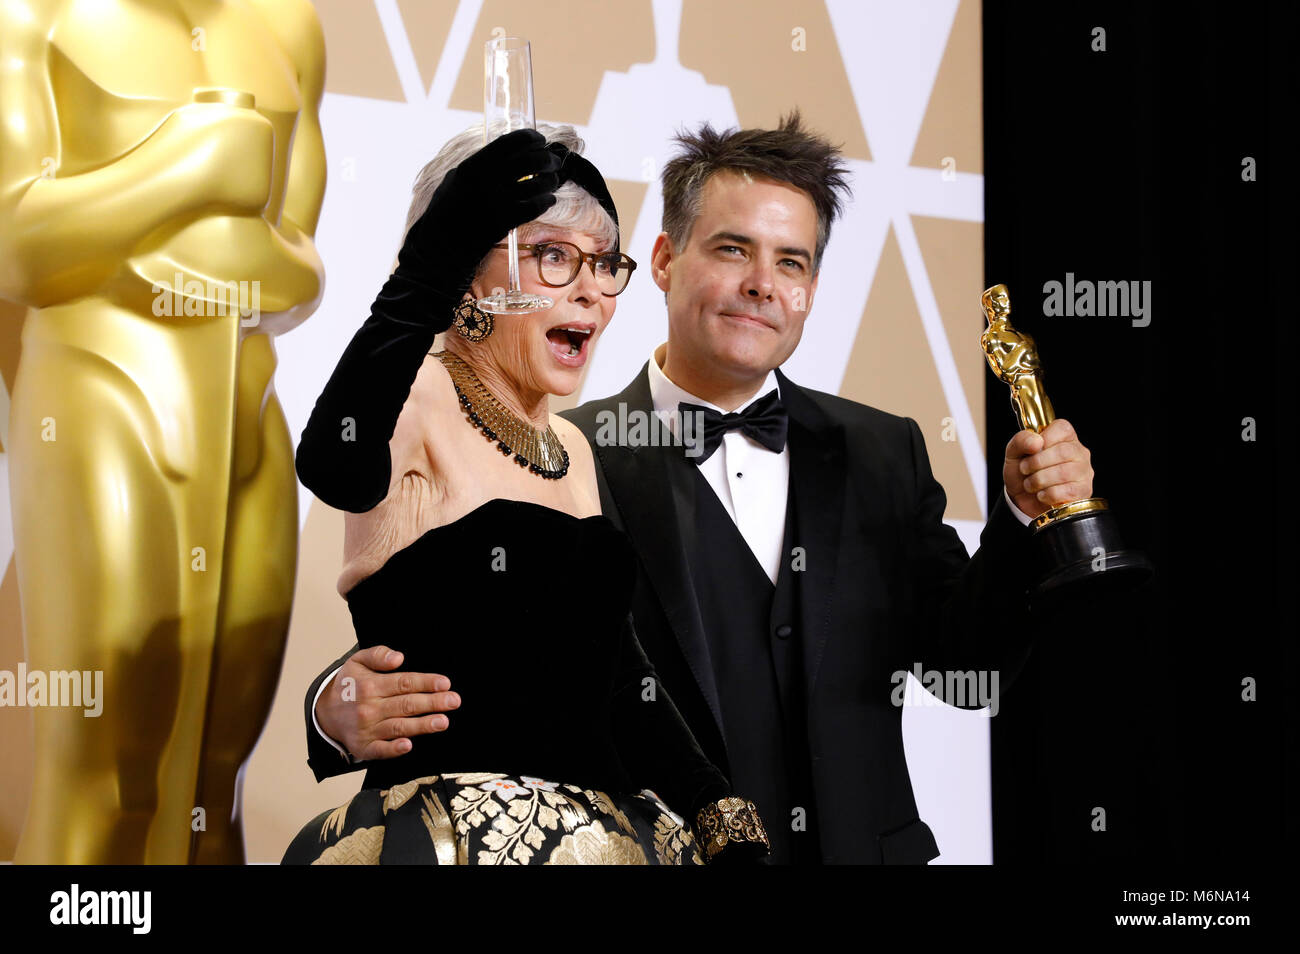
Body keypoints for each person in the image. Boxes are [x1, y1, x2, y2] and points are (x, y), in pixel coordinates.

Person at [304, 112, 1096, 864]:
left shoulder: (885, 451)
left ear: (813, 289)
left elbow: (967, 667)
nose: (763, 283)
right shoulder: (585, 448)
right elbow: (460, 622)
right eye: (731, 249)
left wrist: (1027, 523)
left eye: (792, 261)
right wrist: (330, 706)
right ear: (663, 262)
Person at [282, 125, 769, 865]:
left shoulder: (570, 446)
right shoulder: (415, 397)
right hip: (446, 839)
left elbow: (617, 671)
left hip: (604, 838)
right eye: (552, 257)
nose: (590, 292)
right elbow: (333, 462)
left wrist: (712, 805)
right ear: (466, 270)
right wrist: (427, 272)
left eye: (603, 264)